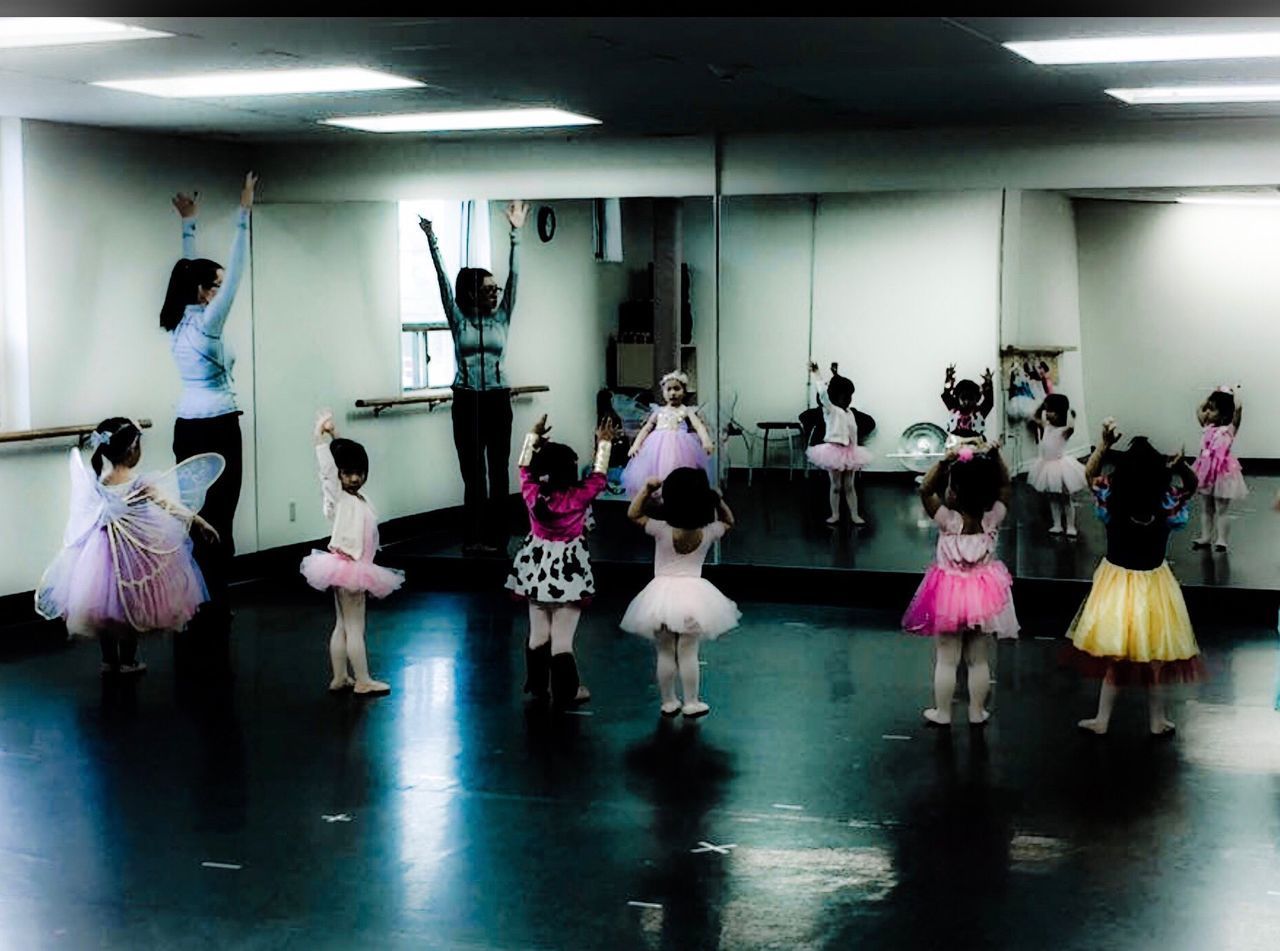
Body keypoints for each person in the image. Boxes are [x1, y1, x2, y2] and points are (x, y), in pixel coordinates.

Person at [35, 418, 223, 675]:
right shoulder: (140, 483)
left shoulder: (100, 481)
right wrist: (199, 522)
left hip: (101, 554)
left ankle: (109, 660)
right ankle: (129, 660)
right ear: (133, 449)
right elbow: (169, 506)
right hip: (135, 554)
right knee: (132, 603)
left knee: (104, 608)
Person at [1069, 418, 1202, 736]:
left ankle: (1102, 720)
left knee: (1116, 657)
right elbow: (1193, 487)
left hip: (1117, 583)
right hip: (1155, 583)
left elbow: (1089, 474)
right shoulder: (1166, 501)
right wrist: (1181, 467)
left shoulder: (1111, 497)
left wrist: (1104, 445)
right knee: (1155, 657)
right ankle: (1157, 720)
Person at [163, 173, 256, 617]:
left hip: (186, 426)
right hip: (218, 424)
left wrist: (189, 225)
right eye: (213, 286)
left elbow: (188, 270)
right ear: (204, 293)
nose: (221, 290)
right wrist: (243, 215)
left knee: (193, 513)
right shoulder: (209, 322)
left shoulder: (178, 322)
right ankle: (215, 594)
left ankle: (196, 592)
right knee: (222, 512)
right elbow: (234, 275)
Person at [419, 201, 529, 555]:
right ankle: (474, 536)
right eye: (488, 288)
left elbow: (516, 277)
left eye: (496, 289)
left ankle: (498, 538)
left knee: (498, 471)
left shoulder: (504, 317)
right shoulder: (459, 320)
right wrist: (432, 239)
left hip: (497, 398)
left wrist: (516, 233)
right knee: (473, 474)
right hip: (466, 399)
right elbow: (441, 281)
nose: (495, 293)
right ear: (473, 291)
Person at [902, 444, 1018, 726]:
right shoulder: (992, 520)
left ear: (952, 492)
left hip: (948, 598)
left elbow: (925, 490)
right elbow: (1005, 484)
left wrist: (944, 461)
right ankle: (976, 712)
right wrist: (995, 458)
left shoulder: (948, 521)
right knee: (979, 659)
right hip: (982, 596)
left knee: (947, 658)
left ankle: (943, 713)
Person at [506, 414, 615, 708]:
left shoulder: (531, 492)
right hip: (568, 572)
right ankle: (568, 690)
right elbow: (600, 476)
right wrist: (604, 443)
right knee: (562, 639)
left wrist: (532, 436)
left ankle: (537, 684)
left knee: (538, 632)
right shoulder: (580, 496)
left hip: (535, 568)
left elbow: (523, 467)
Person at [300, 412, 404, 696]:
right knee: (355, 626)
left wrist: (335, 436)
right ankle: (362, 679)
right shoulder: (338, 498)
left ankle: (339, 677)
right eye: (348, 473)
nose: (355, 478)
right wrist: (319, 437)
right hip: (350, 569)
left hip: (349, 567)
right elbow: (327, 471)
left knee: (343, 624)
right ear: (339, 475)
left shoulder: (358, 497)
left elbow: (341, 455)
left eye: (359, 473)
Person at [622, 468, 740, 718]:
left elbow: (633, 514)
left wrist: (646, 490)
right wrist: (718, 500)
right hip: (694, 598)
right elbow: (730, 521)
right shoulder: (709, 531)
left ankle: (668, 701)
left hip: (660, 598)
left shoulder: (660, 528)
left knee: (664, 651)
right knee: (688, 653)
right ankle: (692, 702)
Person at [621, 370, 714, 497]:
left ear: (684, 391)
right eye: (668, 389)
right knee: (657, 470)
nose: (673, 393)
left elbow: (698, 425)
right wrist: (636, 444)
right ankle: (659, 495)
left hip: (682, 447)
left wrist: (706, 440)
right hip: (657, 446)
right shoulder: (658, 411)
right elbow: (647, 427)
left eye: (677, 389)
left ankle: (677, 495)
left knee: (679, 470)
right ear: (663, 392)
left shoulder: (686, 410)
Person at [805, 361, 873, 525]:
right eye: (845, 396)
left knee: (850, 486)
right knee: (836, 486)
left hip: (850, 452)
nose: (848, 399)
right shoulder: (830, 410)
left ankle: (854, 515)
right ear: (836, 396)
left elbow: (853, 433)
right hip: (833, 452)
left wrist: (855, 450)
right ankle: (835, 514)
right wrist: (817, 374)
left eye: (850, 396)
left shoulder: (850, 413)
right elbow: (823, 395)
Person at [1191, 385, 1246, 551]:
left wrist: (1231, 395)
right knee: (1206, 507)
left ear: (1223, 413)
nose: (1207, 413)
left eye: (1212, 410)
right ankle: (1206, 536)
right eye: (1208, 409)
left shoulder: (1228, 430)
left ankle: (1222, 539)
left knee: (1222, 508)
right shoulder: (1207, 427)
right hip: (1205, 471)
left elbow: (1238, 411)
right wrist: (1208, 401)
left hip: (1222, 472)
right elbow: (1199, 410)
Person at [1027, 394, 1088, 537]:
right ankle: (1057, 525)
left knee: (1066, 498)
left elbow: (1071, 428)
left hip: (1061, 467)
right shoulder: (1046, 426)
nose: (1048, 414)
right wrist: (1042, 406)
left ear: (1060, 413)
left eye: (1052, 411)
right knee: (1053, 498)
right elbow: (1035, 417)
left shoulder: (1063, 431)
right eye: (1047, 410)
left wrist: (1070, 414)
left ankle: (1071, 526)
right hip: (1046, 466)